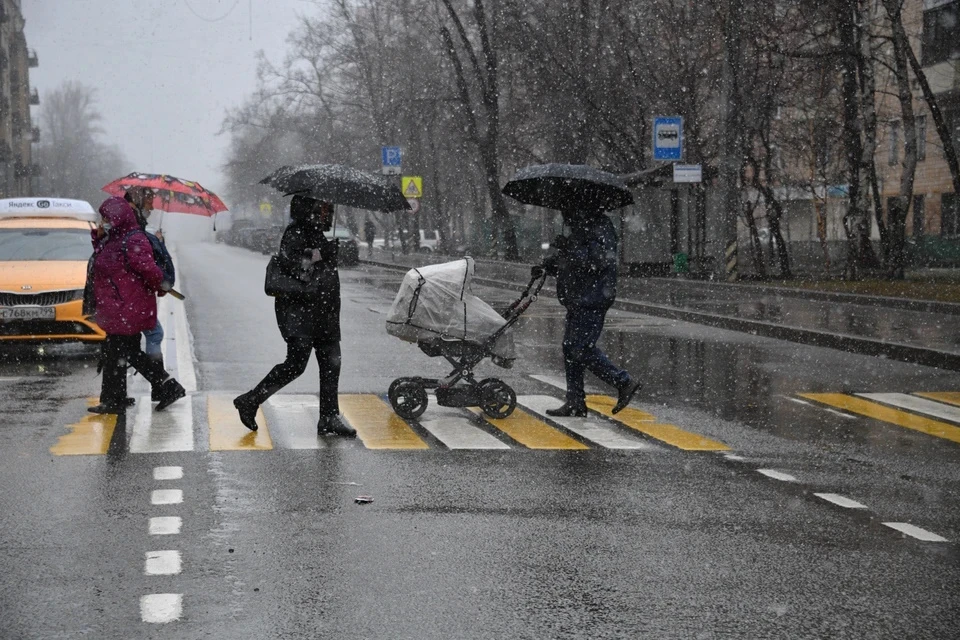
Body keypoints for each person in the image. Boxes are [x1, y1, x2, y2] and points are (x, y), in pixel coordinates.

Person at [233, 195, 355, 437]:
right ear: (310, 208)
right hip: (303, 313)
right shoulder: (295, 233)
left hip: (325, 311)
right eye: (324, 206)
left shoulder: (316, 232)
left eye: (328, 207)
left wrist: (326, 252)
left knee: (332, 362)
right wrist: (323, 253)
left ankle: (329, 416)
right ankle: (250, 400)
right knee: (296, 365)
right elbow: (297, 266)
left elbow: (318, 269)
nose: (327, 212)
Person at [532, 208, 642, 417]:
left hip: (592, 299)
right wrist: (551, 265)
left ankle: (623, 382)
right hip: (578, 299)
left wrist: (569, 249)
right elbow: (574, 266)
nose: (564, 215)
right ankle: (575, 402)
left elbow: (596, 263)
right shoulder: (581, 228)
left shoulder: (599, 228)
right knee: (570, 349)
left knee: (580, 348)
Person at [88, 196, 186, 414]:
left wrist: (162, 285)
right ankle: (116, 398)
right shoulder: (114, 238)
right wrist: (98, 237)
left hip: (129, 305)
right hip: (118, 305)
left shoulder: (133, 239)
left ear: (118, 217)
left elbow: (148, 269)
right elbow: (102, 258)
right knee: (118, 351)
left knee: (123, 350)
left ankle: (167, 386)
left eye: (106, 217)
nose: (103, 221)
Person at [124, 186, 176, 401]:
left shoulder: (136, 226)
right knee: (147, 337)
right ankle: (162, 385)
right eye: (149, 201)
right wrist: (160, 283)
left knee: (135, 342)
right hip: (133, 293)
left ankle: (159, 387)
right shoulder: (133, 228)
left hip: (133, 292)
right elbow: (144, 265)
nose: (153, 206)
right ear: (138, 200)